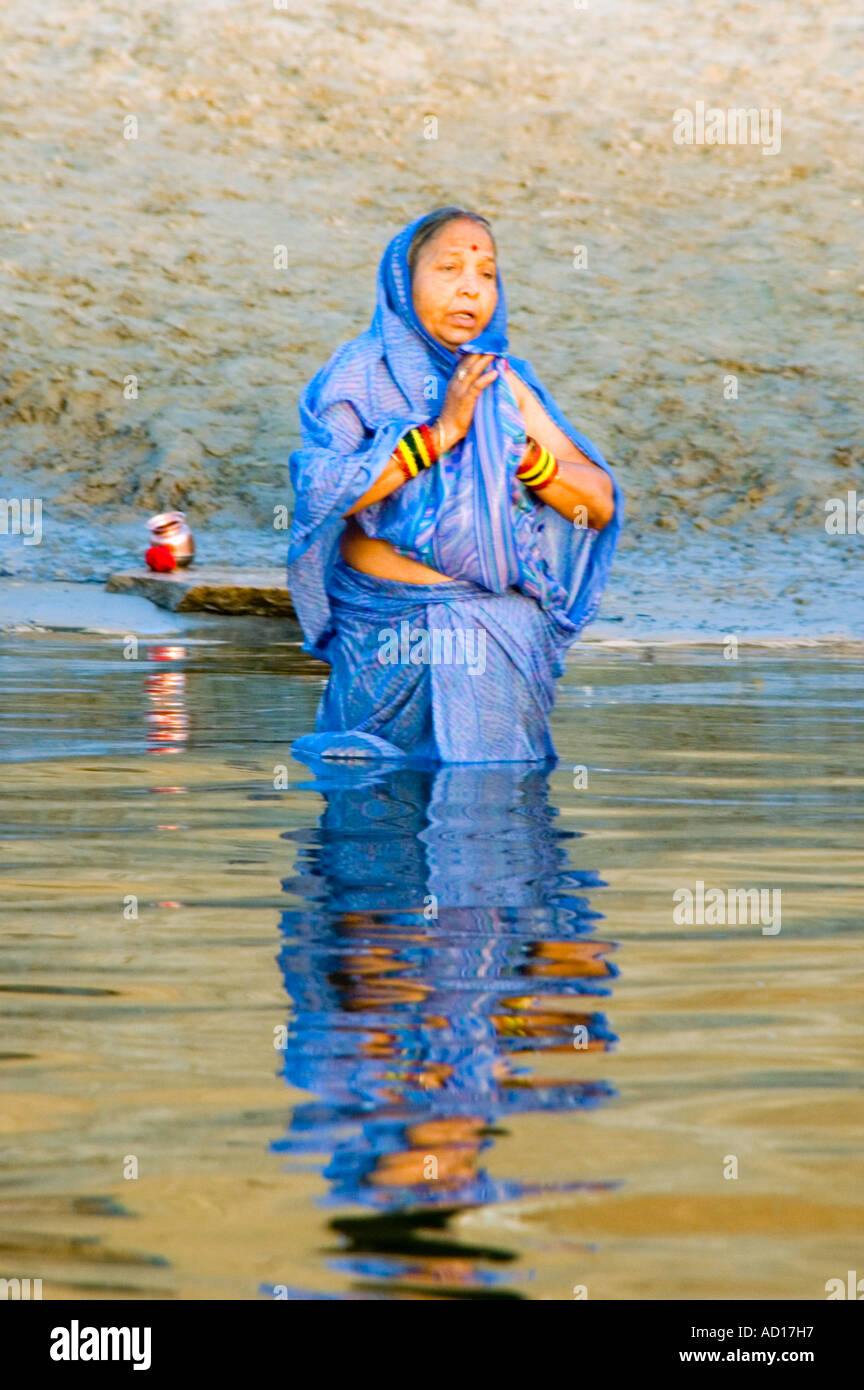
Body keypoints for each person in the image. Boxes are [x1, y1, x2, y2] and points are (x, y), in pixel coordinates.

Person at [287, 206, 623, 762]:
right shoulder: (357, 375)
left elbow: (598, 504)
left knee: (494, 810)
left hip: (498, 633)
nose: (471, 289)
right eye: (449, 269)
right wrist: (442, 433)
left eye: (486, 274)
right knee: (371, 816)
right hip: (386, 629)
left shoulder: (498, 380)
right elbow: (323, 491)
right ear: (403, 280)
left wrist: (523, 456)